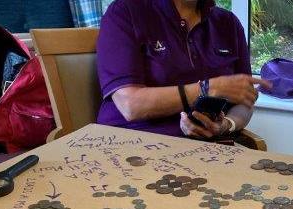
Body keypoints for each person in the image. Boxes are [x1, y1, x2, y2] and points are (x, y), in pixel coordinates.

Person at [96, 0, 271, 139]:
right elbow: (131, 105)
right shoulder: (124, 12)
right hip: (131, 144)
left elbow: (245, 100)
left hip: (207, 149)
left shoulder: (228, 23)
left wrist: (226, 124)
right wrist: (206, 89)